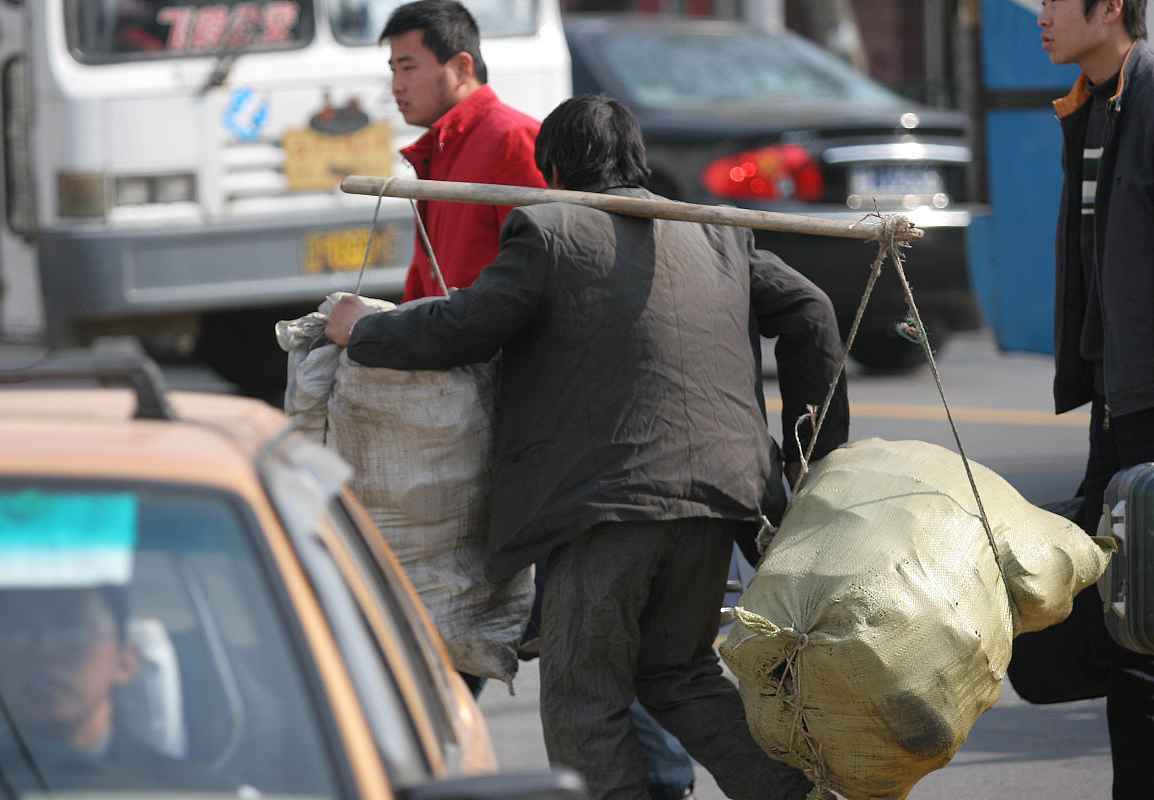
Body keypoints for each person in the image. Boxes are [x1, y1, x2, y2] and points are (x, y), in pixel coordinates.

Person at [325, 94, 849, 800]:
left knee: (582, 698)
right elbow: (813, 311)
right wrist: (806, 457)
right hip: (723, 498)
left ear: (552, 168)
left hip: (608, 504)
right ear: (635, 160)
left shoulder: (547, 231)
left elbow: (465, 327)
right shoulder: (717, 234)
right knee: (678, 675)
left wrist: (360, 329)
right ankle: (801, 796)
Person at [1038, 1, 1154, 797]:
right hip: (1115, 398)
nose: (1039, 15)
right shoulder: (1089, 105)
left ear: (1109, 7)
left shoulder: (1148, 99)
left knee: (1141, 620)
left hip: (1148, 400)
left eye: (1053, 0)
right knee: (1124, 621)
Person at [379, 0, 547, 301]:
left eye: (408, 68)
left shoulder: (512, 138)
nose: (397, 86)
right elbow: (426, 282)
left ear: (461, 68)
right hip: (453, 340)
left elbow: (543, 269)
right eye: (394, 70)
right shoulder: (438, 149)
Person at [0, 585, 192, 788]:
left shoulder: (185, 792)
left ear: (125, 662)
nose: (43, 649)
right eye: (17, 631)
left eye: (71, 629)